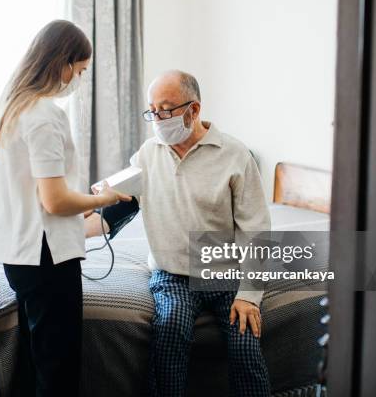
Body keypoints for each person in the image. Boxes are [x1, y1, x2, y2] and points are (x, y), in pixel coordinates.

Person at [96, 70, 271, 396]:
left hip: (224, 272)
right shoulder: (148, 154)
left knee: (245, 344)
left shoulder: (235, 155)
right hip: (172, 274)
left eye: (167, 109)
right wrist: (65, 227)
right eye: (152, 110)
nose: (158, 118)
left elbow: (255, 230)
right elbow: (114, 208)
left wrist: (249, 295)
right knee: (170, 327)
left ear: (194, 109)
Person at [0, 20, 131, 397]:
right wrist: (104, 199)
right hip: (46, 257)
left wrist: (85, 199)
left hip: (19, 253)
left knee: (38, 356)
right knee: (59, 365)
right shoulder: (45, 115)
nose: (78, 80)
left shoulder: (10, 109)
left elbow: (36, 194)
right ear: (63, 62)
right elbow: (54, 201)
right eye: (79, 71)